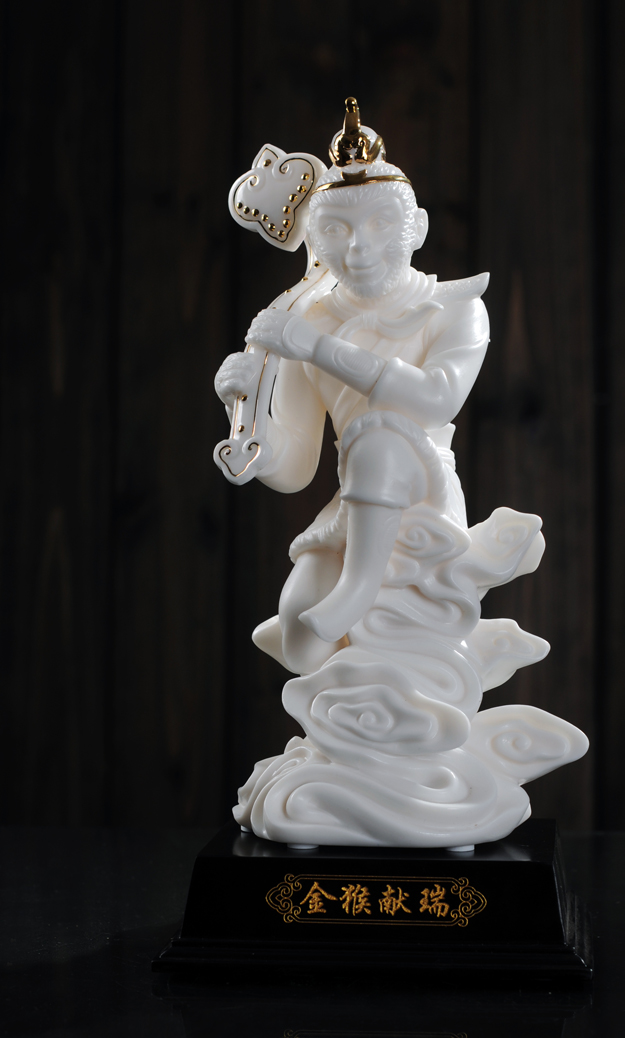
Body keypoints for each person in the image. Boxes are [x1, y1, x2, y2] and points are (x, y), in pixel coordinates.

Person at [215, 101, 489, 676]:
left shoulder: (454, 309)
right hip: (354, 495)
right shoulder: (310, 320)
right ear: (317, 241)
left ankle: (358, 588)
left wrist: (319, 349)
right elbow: (298, 466)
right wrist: (250, 419)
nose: (359, 248)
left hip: (421, 483)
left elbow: (436, 399)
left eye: (380, 224)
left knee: (379, 433)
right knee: (301, 643)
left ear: (417, 228)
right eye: (337, 230)